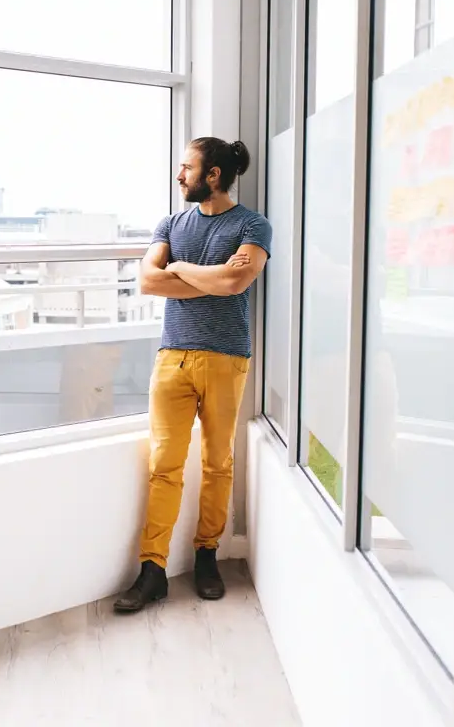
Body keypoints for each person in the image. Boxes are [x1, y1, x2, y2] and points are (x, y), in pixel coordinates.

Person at [113, 137, 272, 613]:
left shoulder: (252, 225)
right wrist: (203, 273)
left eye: (187, 168)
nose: (179, 175)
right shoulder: (170, 222)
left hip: (226, 357)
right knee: (164, 465)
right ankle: (152, 569)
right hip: (172, 359)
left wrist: (180, 269)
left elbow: (233, 283)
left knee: (217, 463)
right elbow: (147, 280)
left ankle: (207, 555)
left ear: (214, 175)